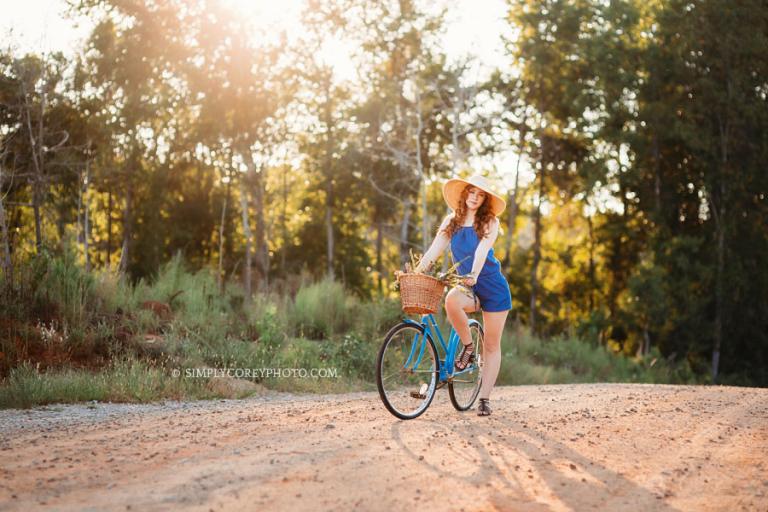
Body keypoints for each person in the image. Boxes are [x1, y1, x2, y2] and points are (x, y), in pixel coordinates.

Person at [414, 175, 512, 416]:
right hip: (467, 285)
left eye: (480, 195)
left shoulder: (490, 221)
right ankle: (468, 347)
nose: (474, 198)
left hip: (491, 286)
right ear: (464, 194)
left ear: (485, 200)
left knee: (491, 345)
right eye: (471, 192)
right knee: (451, 300)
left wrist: (474, 274)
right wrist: (416, 273)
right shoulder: (452, 221)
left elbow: (481, 251)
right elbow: (434, 251)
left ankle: (484, 399)